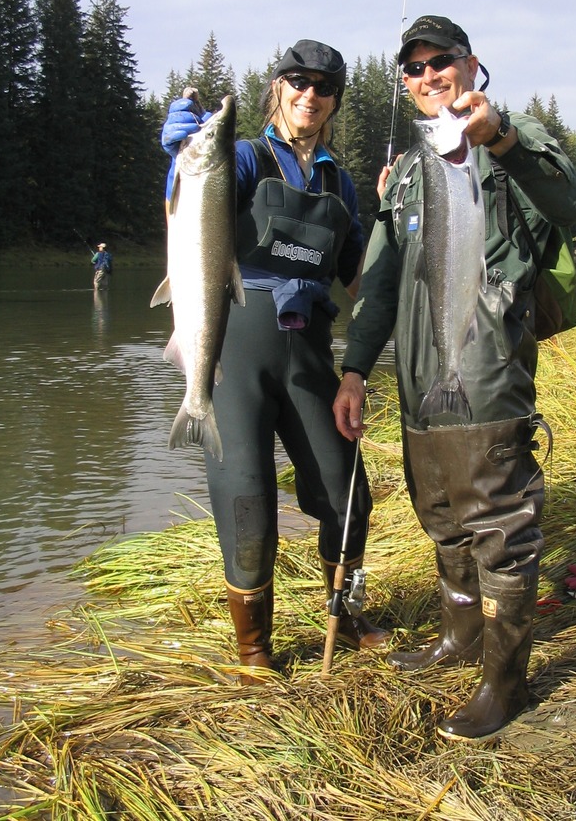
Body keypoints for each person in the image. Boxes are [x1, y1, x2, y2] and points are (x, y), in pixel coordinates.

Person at [333, 16, 576, 740]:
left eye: (439, 62)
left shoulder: (511, 140)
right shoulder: (411, 168)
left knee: (498, 527)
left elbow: (574, 203)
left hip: (485, 372)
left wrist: (501, 136)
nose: (426, 78)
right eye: (411, 70)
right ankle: (460, 636)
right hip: (419, 378)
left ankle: (505, 686)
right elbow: (380, 281)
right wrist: (355, 370)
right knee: (441, 516)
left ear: (471, 66)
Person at [161, 40, 389, 682]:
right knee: (247, 500)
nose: (309, 95)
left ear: (334, 100)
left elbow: (361, 283)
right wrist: (179, 161)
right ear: (277, 88)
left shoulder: (339, 182)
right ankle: (254, 648)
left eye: (323, 86)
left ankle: (345, 616)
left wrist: (394, 221)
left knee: (350, 497)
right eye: (298, 82)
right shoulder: (238, 157)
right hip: (232, 357)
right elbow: (189, 205)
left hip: (311, 359)